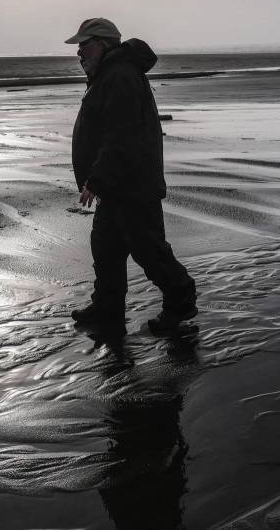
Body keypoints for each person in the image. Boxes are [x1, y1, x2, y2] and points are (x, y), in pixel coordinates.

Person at [65, 17, 197, 334]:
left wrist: (96, 179)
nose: (79, 52)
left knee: (150, 252)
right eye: (79, 46)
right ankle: (106, 309)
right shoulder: (110, 74)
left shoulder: (120, 76)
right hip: (116, 187)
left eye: (84, 44)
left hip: (133, 187)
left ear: (104, 43)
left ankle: (181, 301)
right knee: (106, 251)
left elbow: (121, 137)